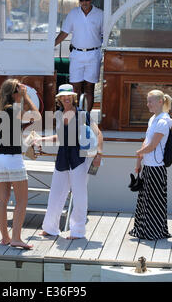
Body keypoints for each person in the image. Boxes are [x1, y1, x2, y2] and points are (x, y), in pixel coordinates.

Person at [34, 84, 103, 239]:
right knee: (56, 192)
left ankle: (78, 231)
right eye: (63, 96)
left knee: (79, 195)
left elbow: (98, 134)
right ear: (59, 98)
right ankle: (50, 228)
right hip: (63, 156)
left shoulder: (83, 114)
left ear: (73, 97)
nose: (66, 98)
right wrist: (40, 139)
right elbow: (60, 138)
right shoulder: (58, 115)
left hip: (80, 157)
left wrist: (99, 153)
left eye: (69, 95)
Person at [0, 79, 40, 249]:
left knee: (3, 200)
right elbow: (37, 114)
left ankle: (5, 237)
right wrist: (26, 97)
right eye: (20, 89)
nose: (23, 91)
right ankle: (16, 238)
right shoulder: (15, 109)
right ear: (14, 93)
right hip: (12, 158)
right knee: (21, 201)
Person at [130, 90, 172, 240]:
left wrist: (139, 153)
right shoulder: (153, 119)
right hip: (149, 165)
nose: (147, 104)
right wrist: (139, 160)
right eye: (147, 101)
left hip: (156, 167)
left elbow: (153, 145)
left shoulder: (162, 122)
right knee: (145, 200)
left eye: (150, 101)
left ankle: (153, 231)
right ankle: (144, 230)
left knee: (154, 201)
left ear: (160, 102)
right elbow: (147, 141)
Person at [54, 0, 103, 112]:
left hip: (93, 53)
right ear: (79, 0)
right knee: (75, 88)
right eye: (82, 0)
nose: (84, 2)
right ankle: (75, 114)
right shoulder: (73, 13)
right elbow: (64, 32)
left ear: (91, 0)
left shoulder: (100, 14)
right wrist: (51, 45)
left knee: (90, 87)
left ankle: (86, 115)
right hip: (76, 53)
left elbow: (106, 35)